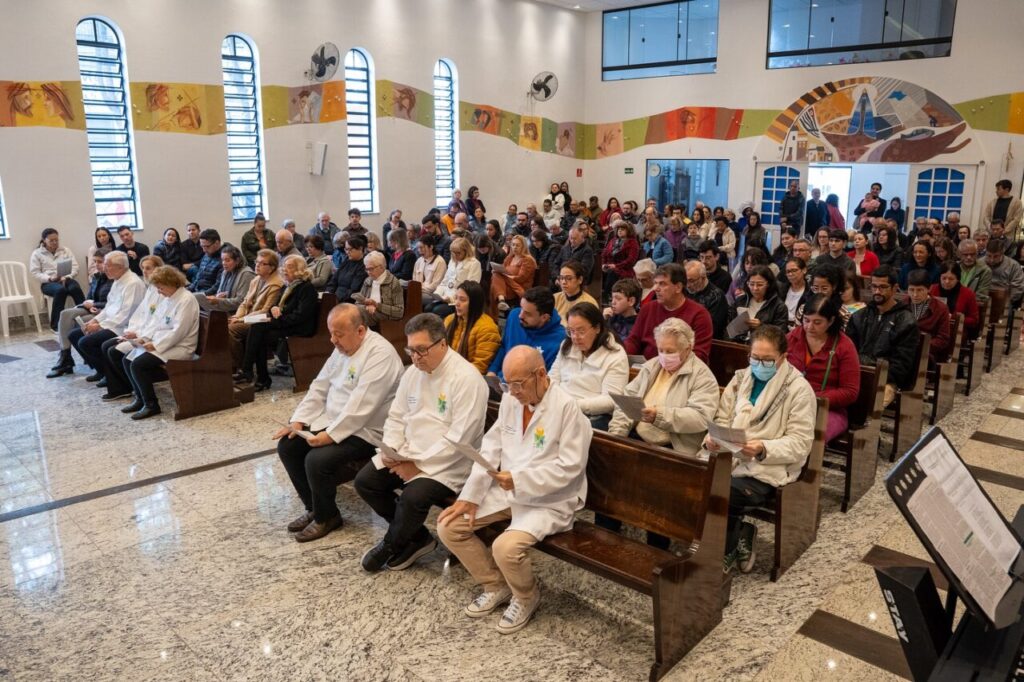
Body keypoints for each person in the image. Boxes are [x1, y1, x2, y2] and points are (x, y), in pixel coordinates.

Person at [437, 345, 592, 634]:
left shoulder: (567, 408)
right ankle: (495, 586)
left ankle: (526, 596)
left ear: (541, 374)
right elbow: (492, 446)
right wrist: (469, 497)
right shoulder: (511, 399)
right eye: (507, 384)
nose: (512, 391)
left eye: (518, 384)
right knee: (449, 526)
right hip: (509, 489)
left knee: (504, 548)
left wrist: (520, 479)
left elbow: (570, 468)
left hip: (549, 499)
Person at [355, 313, 490, 572]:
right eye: (411, 350)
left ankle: (391, 544)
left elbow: (460, 438)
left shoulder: (466, 378)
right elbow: (396, 415)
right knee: (366, 482)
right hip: (410, 453)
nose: (415, 357)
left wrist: (417, 466)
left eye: (421, 350)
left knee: (413, 496)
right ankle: (416, 539)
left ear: (442, 344)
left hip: (450, 464)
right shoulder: (413, 374)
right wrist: (393, 451)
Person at [275, 304, 405, 542]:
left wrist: (329, 435)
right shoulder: (343, 348)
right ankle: (314, 508)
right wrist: (299, 420)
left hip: (368, 430)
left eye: (339, 334)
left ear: (361, 331)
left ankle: (328, 517)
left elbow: (362, 406)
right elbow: (320, 385)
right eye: (331, 333)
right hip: (336, 421)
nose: (333, 340)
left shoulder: (380, 354)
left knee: (317, 459)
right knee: (288, 445)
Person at [706, 325, 816, 574]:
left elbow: (800, 442)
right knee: (695, 481)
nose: (759, 364)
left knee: (722, 492)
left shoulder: (798, 389)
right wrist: (713, 439)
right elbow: (722, 417)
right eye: (755, 358)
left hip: (767, 465)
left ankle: (723, 550)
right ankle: (732, 539)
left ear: (783, 358)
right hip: (731, 456)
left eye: (767, 360)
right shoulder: (741, 378)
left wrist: (762, 448)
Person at [609, 317, 719, 454]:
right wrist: (617, 435)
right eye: (660, 350)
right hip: (636, 437)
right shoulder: (651, 366)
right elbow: (627, 400)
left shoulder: (703, 377)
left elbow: (700, 418)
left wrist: (659, 415)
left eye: (670, 351)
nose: (664, 356)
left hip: (672, 449)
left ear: (688, 348)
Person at [105, 266, 199, 420]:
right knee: (127, 359)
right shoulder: (169, 298)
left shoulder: (186, 299)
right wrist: (144, 338)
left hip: (181, 347)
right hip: (163, 343)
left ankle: (151, 405)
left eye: (160, 287)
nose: (159, 292)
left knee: (137, 364)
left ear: (171, 283)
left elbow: (179, 331)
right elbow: (156, 322)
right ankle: (140, 399)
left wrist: (156, 345)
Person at [236, 255, 319, 391]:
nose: (285, 269)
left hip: (299, 327)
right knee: (258, 332)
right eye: (284, 266)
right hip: (285, 324)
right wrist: (274, 309)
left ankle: (250, 372)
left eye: (290, 267)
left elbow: (300, 316)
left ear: (300, 269)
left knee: (258, 329)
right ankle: (259, 377)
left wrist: (277, 318)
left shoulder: (306, 288)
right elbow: (275, 307)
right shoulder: (287, 286)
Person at [786, 294, 860, 442]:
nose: (809, 327)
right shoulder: (793, 337)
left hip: (828, 409)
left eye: (817, 322)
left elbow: (850, 392)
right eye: (806, 320)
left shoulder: (844, 346)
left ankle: (806, 465)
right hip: (790, 403)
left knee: (806, 434)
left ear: (831, 321)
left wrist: (813, 398)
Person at [62, 251, 144, 381]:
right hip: (111, 323)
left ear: (121, 267)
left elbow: (125, 315)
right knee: (74, 335)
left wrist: (99, 326)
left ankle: (110, 375)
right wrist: (94, 320)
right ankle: (101, 370)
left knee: (86, 342)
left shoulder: (133, 283)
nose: (104, 269)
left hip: (123, 327)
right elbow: (108, 308)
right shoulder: (118, 280)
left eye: (108, 265)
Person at [846, 265, 921, 406]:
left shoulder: (906, 321)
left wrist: (872, 373)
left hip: (887, 379)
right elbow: (847, 351)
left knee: (873, 402)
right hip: (856, 373)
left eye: (883, 287)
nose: (877, 291)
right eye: (874, 286)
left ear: (894, 288)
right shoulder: (859, 316)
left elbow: (901, 366)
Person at [549, 302, 628, 430]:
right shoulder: (567, 345)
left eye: (581, 331)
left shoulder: (615, 354)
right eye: (571, 331)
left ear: (597, 328)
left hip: (593, 415)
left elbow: (611, 400)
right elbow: (552, 379)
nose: (575, 337)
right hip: (560, 407)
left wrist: (572, 405)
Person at [624, 263, 713, 362]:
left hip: (680, 371)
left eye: (662, 284)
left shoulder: (699, 315)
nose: (656, 288)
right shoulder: (647, 309)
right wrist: (622, 355)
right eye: (655, 283)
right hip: (645, 368)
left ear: (678, 287)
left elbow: (699, 355)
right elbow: (633, 341)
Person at [47, 252, 112, 377]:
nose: (97, 265)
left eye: (100, 262)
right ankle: (65, 355)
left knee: (78, 321)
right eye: (95, 262)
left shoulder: (113, 280)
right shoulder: (97, 277)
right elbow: (89, 298)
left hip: (103, 310)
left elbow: (113, 303)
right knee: (65, 314)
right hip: (92, 307)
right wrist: (88, 303)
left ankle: (76, 360)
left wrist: (95, 305)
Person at [488, 287, 564, 379]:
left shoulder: (559, 340)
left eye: (527, 314)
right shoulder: (514, 316)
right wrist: (492, 371)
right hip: (500, 380)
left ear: (544, 317)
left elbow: (545, 379)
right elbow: (504, 346)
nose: (520, 315)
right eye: (521, 308)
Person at [228, 249, 284, 370]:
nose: (257, 265)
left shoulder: (276, 284)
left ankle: (240, 367)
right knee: (222, 324)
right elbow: (244, 302)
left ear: (272, 267)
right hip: (247, 317)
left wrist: (241, 320)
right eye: (256, 262)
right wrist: (237, 317)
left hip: (260, 322)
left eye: (262, 263)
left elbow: (265, 311)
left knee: (231, 330)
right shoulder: (256, 279)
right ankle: (231, 364)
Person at [30, 227, 85, 331]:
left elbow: (75, 266)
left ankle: (85, 318)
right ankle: (56, 325)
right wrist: (50, 278)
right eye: (51, 240)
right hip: (48, 283)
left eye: (56, 240)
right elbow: (35, 273)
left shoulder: (65, 250)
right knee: (61, 291)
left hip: (66, 278)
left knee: (75, 288)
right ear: (44, 240)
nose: (55, 242)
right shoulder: (37, 253)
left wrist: (67, 276)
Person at [444, 281, 501, 374]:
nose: (457, 303)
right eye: (456, 298)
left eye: (462, 300)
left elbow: (480, 366)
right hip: (448, 371)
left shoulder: (487, 329)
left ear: (475, 303)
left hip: (468, 378)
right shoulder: (449, 320)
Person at [729, 265, 790, 342]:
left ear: (768, 284)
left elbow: (780, 335)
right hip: (739, 344)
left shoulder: (779, 306)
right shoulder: (741, 301)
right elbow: (729, 325)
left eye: (760, 284)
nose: (755, 288)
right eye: (751, 284)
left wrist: (761, 327)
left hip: (763, 346)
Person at [425, 237, 481, 318]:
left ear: (466, 251)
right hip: (445, 296)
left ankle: (442, 330)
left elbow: (471, 287)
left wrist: (451, 298)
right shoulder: (452, 262)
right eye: (453, 253)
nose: (455, 255)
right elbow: (444, 281)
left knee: (437, 311)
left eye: (458, 253)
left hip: (460, 299)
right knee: (428, 308)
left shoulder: (474, 263)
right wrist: (438, 294)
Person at [906, 270, 953, 365]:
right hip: (903, 350)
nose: (915, 295)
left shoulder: (940, 309)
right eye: (911, 290)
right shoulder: (902, 305)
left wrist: (921, 346)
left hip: (926, 354)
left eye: (919, 290)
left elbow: (943, 339)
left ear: (929, 289)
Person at [195, 244, 255, 314]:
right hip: (224, 308)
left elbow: (241, 301)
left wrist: (219, 301)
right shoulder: (225, 272)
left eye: (227, 260)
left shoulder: (246, 274)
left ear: (237, 260)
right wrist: (217, 297)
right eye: (222, 260)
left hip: (238, 312)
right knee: (196, 299)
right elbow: (219, 293)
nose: (224, 263)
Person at [933, 261, 980, 340]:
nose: (947, 282)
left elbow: (974, 320)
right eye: (944, 278)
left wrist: (954, 318)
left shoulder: (968, 294)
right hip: (934, 329)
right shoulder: (933, 289)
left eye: (951, 279)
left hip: (956, 332)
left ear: (958, 279)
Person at [492, 234, 537, 313]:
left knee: (494, 282)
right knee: (494, 276)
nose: (515, 247)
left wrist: (505, 276)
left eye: (517, 245)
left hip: (518, 287)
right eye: (513, 245)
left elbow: (521, 278)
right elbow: (502, 269)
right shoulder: (510, 257)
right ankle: (501, 301)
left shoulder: (528, 260)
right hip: (506, 285)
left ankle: (497, 309)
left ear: (523, 246)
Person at [357, 251, 405, 325]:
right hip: (367, 311)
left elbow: (399, 311)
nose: (368, 272)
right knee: (350, 310)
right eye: (367, 269)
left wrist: (376, 305)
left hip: (386, 317)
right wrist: (367, 306)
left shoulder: (393, 282)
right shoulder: (368, 280)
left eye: (371, 269)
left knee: (357, 314)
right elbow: (358, 302)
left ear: (381, 267)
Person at [685, 261, 729, 340]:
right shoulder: (684, 291)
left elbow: (712, 328)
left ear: (703, 278)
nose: (688, 285)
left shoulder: (716, 296)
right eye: (685, 280)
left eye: (691, 281)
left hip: (708, 341)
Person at [602, 221, 640, 300]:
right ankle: (601, 294)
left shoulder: (633, 243)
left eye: (622, 229)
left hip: (624, 268)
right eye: (618, 229)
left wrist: (616, 266)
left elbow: (630, 260)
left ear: (628, 231)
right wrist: (604, 264)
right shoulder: (613, 240)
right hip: (610, 266)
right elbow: (604, 253)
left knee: (613, 272)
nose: (619, 230)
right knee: (599, 271)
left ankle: (606, 295)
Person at [183, 229, 224, 295]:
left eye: (207, 246)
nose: (204, 250)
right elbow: (198, 278)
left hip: (209, 296)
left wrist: (198, 295)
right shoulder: (206, 255)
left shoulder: (224, 259)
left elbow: (217, 286)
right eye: (202, 246)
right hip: (198, 291)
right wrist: (187, 290)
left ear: (217, 243)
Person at [330, 236, 368, 303]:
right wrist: (328, 293)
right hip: (335, 297)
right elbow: (333, 281)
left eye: (350, 249)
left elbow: (354, 290)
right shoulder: (346, 261)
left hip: (347, 301)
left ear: (360, 249)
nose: (347, 252)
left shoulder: (364, 265)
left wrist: (338, 299)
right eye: (346, 249)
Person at [986, 240, 1024, 307]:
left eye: (995, 256)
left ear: (1002, 253)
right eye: (989, 256)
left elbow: (1018, 286)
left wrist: (1009, 299)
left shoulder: (1013, 265)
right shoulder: (980, 263)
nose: (991, 260)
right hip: (983, 297)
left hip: (1005, 300)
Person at [780, 257, 809, 325]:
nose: (790, 274)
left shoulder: (810, 291)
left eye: (794, 270)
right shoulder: (781, 290)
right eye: (788, 272)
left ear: (804, 270)